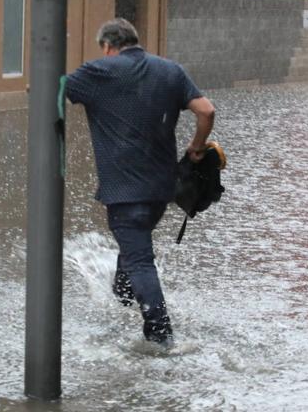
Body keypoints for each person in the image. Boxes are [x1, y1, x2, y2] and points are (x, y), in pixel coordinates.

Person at [65, 18, 215, 347]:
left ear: (107, 46)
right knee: (133, 252)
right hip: (162, 191)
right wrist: (197, 148)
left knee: (139, 260)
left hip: (123, 191)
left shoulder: (98, 71)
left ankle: (160, 335)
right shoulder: (170, 71)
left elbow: (52, 88)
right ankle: (122, 297)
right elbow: (206, 111)